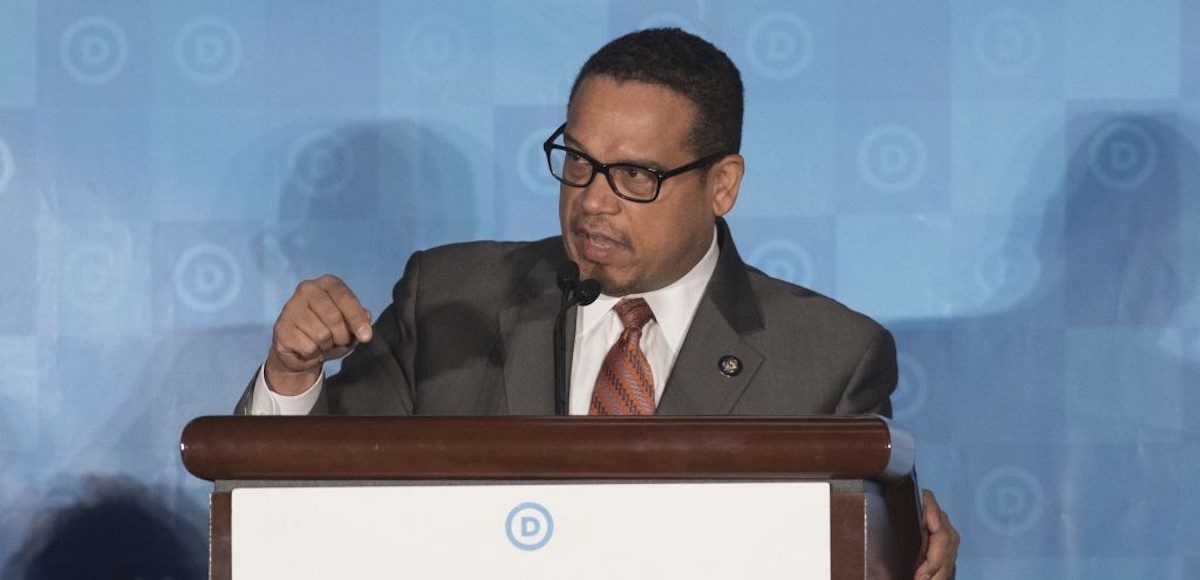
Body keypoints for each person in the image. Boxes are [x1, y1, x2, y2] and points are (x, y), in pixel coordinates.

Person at [236, 28, 959, 579]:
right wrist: (292, 378)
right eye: (577, 160)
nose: (592, 201)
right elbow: (304, 509)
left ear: (723, 184)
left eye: (635, 174)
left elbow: (853, 545)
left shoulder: (829, 357)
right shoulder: (449, 300)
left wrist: (894, 549)